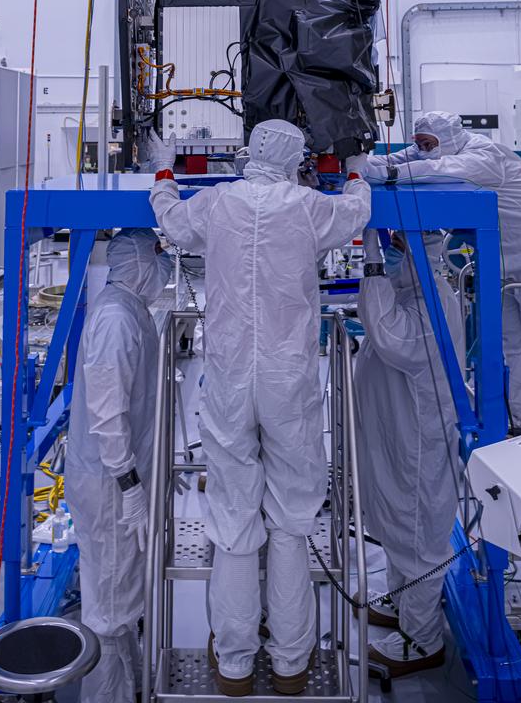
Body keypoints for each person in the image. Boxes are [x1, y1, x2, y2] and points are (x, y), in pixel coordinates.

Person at [148, 120, 371, 697]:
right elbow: (354, 214)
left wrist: (165, 173)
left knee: (231, 521)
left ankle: (236, 665)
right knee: (293, 522)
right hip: (288, 377)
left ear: (251, 154)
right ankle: (293, 665)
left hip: (226, 377)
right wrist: (352, 172)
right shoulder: (306, 207)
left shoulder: (217, 204)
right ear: (297, 160)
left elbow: (171, 223)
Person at [366, 111, 521, 432]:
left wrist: (385, 170)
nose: (423, 150)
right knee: (513, 342)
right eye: (420, 144)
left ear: (448, 139)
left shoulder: (484, 156)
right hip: (504, 251)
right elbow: (403, 160)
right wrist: (356, 167)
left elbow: (438, 168)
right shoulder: (436, 148)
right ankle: (520, 422)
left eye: (429, 144)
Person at [66, 228, 173, 703]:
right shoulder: (115, 318)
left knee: (121, 593)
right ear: (138, 264)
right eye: (159, 258)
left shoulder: (131, 309)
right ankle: (107, 696)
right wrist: (130, 484)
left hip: (120, 479)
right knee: (109, 606)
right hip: (111, 486)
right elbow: (109, 416)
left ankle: (129, 687)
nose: (165, 268)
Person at [354, 231, 465, 677]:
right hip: (401, 438)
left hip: (418, 445)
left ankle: (422, 640)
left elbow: (386, 333)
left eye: (403, 244)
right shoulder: (417, 292)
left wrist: (371, 251)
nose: (397, 250)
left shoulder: (432, 305)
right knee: (400, 524)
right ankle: (403, 608)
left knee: (417, 532)